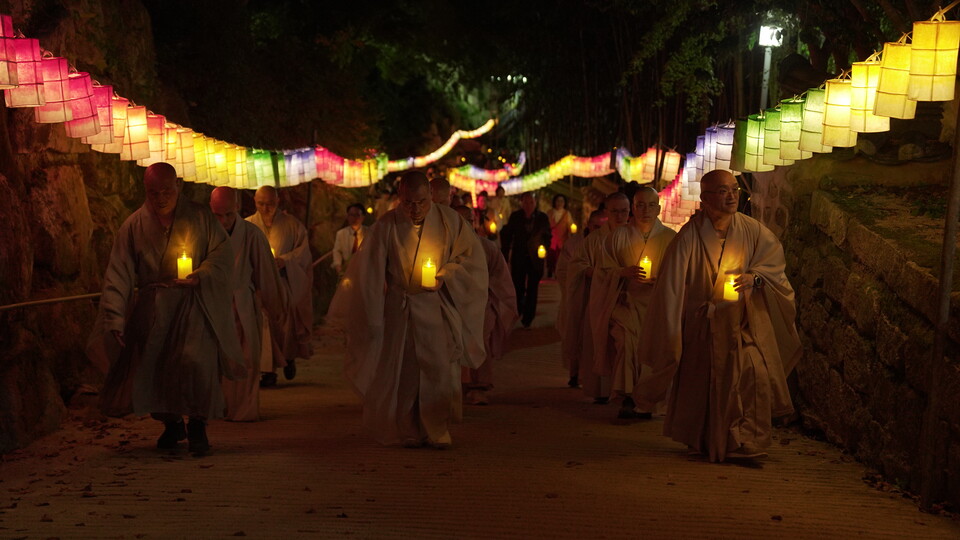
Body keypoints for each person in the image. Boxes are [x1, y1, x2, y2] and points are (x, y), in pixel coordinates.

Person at [633, 170, 801, 461]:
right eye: (723, 191)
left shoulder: (752, 230)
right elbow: (671, 285)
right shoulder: (690, 236)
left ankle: (746, 440)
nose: (732, 196)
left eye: (734, 190)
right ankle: (712, 440)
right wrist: (673, 329)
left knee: (754, 373)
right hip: (704, 325)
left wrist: (755, 278)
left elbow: (773, 266)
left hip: (743, 321)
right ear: (706, 198)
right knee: (707, 385)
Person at [88, 163, 244, 454]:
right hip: (155, 307)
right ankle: (171, 424)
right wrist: (115, 317)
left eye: (167, 191)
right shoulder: (134, 225)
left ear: (178, 187)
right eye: (153, 192)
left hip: (194, 305)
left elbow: (222, 254)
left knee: (197, 364)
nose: (160, 198)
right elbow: (118, 272)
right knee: (156, 368)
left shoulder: (200, 217)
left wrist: (203, 273)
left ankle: (197, 426)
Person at [327, 171, 487, 448]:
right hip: (399, 308)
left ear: (431, 197)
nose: (414, 209)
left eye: (421, 202)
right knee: (404, 372)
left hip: (434, 307)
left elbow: (469, 260)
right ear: (400, 198)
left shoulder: (450, 222)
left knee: (438, 368)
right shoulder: (386, 225)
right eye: (408, 202)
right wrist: (372, 315)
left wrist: (447, 273)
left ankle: (436, 429)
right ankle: (407, 428)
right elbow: (369, 273)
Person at [591, 187, 675, 419]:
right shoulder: (617, 236)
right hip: (625, 303)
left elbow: (680, 274)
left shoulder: (670, 238)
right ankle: (628, 395)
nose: (645, 210)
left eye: (650, 205)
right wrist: (622, 272)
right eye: (640, 205)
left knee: (654, 350)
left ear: (659, 208)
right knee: (628, 343)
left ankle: (648, 399)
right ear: (633, 208)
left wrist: (663, 280)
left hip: (657, 307)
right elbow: (602, 272)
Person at [209, 187, 288, 421]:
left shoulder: (252, 235)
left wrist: (275, 309)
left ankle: (243, 409)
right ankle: (217, 407)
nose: (223, 221)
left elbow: (266, 273)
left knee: (247, 359)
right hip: (212, 304)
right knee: (214, 359)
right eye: (217, 215)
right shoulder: (204, 233)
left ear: (238, 209)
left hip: (242, 302)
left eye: (228, 215)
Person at [247, 185, 313, 387]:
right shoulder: (247, 225)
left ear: (278, 202)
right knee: (263, 323)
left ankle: (288, 357)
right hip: (257, 284)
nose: (265, 208)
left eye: (270, 204)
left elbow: (303, 252)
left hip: (284, 281)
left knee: (287, 317)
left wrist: (285, 260)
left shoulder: (292, 225)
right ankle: (268, 371)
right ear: (255, 202)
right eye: (261, 204)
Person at [453, 205, 518, 406]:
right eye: (460, 220)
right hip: (453, 305)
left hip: (481, 307)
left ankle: (479, 386)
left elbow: (501, 278)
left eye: (469, 220)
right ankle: (456, 385)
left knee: (480, 343)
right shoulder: (442, 247)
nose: (466, 225)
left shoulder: (487, 247)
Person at [573, 192, 630, 402]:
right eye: (614, 211)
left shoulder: (635, 235)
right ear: (606, 212)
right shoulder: (595, 240)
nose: (620, 216)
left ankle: (624, 390)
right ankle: (601, 390)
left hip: (627, 299)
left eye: (624, 211)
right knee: (598, 342)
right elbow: (578, 266)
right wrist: (603, 275)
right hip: (600, 297)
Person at [555, 209, 606, 388]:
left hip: (600, 298)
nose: (599, 230)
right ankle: (574, 373)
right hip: (577, 296)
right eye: (596, 226)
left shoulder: (610, 242)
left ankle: (592, 377)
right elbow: (562, 271)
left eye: (603, 226)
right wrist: (580, 276)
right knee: (574, 331)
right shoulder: (574, 243)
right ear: (588, 225)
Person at [500, 192, 551, 328]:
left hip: (535, 258)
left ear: (535, 203)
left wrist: (544, 249)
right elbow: (508, 235)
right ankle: (519, 309)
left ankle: (528, 317)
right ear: (521, 203)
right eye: (526, 202)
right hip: (519, 256)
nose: (528, 205)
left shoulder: (542, 218)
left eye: (531, 202)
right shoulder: (515, 217)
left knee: (533, 288)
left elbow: (547, 236)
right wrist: (504, 254)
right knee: (518, 286)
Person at [331, 203, 369, 274]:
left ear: (363, 217)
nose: (354, 218)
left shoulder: (369, 233)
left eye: (357, 215)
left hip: (364, 269)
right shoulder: (341, 234)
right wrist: (338, 266)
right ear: (347, 216)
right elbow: (337, 251)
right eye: (351, 215)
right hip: (347, 269)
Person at [547, 194, 572, 278]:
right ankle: (550, 270)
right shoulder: (550, 213)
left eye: (562, 201)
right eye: (558, 201)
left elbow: (570, 225)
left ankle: (558, 273)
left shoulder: (567, 214)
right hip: (551, 240)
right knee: (551, 257)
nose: (560, 203)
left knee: (560, 257)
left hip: (562, 240)